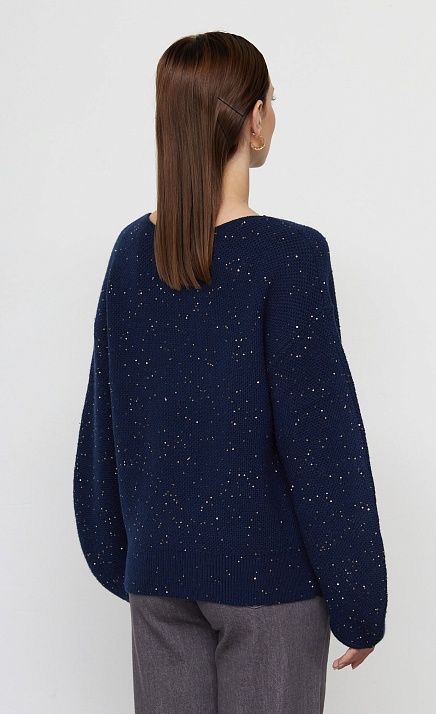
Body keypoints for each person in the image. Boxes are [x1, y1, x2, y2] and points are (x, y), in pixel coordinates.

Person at [73, 31, 388, 714]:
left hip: (159, 581)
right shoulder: (290, 256)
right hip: (268, 589)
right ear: (255, 119)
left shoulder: (132, 252)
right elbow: (322, 443)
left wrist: (127, 559)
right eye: (271, 100)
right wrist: (361, 600)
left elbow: (103, 429)